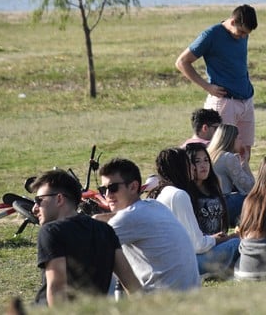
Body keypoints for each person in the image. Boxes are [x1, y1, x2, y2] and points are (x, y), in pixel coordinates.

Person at [29, 169, 141, 306]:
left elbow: (57, 288)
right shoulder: (105, 230)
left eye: (39, 200)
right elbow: (132, 283)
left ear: (59, 199)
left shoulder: (52, 231)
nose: (34, 208)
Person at [96, 157, 200, 292]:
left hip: (162, 303)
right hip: (191, 297)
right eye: (103, 190)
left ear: (133, 187)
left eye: (113, 188)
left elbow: (86, 250)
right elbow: (125, 218)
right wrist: (97, 218)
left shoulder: (128, 218)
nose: (108, 195)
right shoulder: (154, 205)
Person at [175, 4, 258, 162]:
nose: (242, 37)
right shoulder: (211, 35)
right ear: (233, 21)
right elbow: (182, 62)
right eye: (241, 32)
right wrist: (207, 86)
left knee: (244, 150)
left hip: (246, 100)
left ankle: (244, 186)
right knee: (223, 152)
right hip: (225, 102)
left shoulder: (243, 34)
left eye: (246, 34)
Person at [148, 148, 239, 279]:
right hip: (184, 266)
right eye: (189, 163)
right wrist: (219, 239)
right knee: (238, 243)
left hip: (169, 264)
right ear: (180, 167)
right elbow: (197, 245)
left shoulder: (164, 191)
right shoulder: (178, 195)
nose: (193, 167)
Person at [207, 124, 254, 226]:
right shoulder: (228, 158)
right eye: (239, 138)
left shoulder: (210, 153)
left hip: (209, 203)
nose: (242, 142)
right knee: (257, 199)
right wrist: (245, 163)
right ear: (231, 139)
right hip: (223, 205)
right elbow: (250, 187)